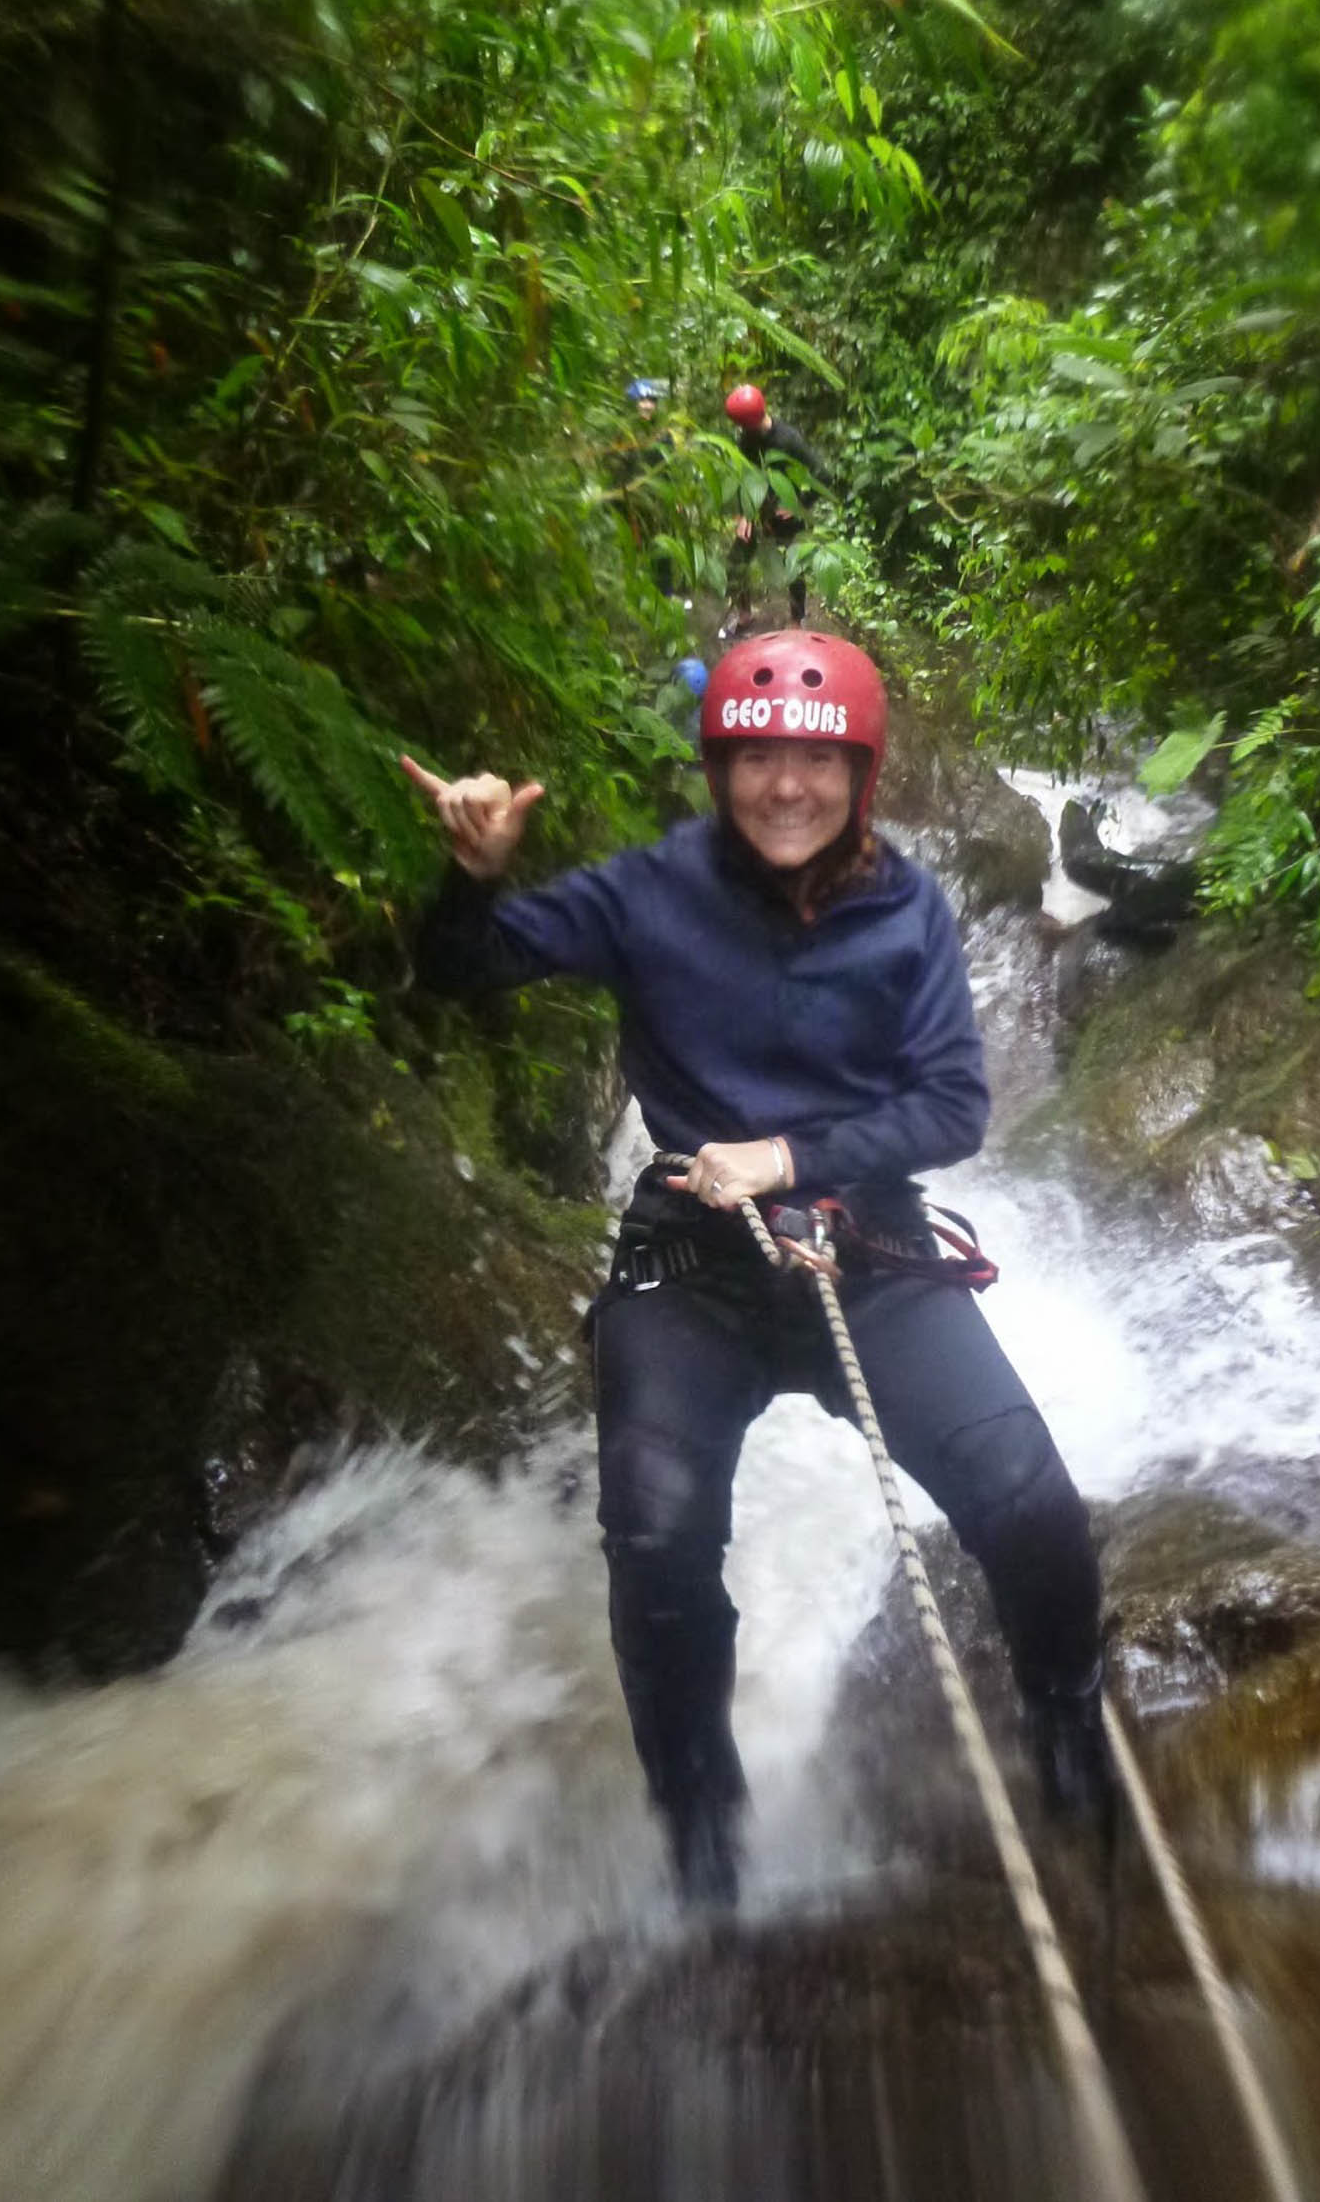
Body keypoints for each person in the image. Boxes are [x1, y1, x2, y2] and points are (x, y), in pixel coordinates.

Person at [401, 630, 1108, 1908]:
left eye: (819, 758)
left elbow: (954, 1106)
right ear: (721, 767)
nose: (789, 784)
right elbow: (462, 969)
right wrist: (471, 876)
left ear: (863, 773)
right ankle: (701, 1817)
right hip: (693, 1268)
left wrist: (791, 1155)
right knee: (658, 1542)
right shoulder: (648, 893)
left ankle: (1066, 1720)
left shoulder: (910, 910)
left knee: (1032, 1502)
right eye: (760, 756)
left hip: (872, 1249)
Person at [723, 383, 833, 632]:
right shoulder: (747, 439)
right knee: (735, 563)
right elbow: (745, 477)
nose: (742, 429)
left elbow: (824, 475)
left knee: (793, 567)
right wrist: (744, 513)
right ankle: (743, 615)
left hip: (786, 513)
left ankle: (796, 621)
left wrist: (800, 505)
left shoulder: (788, 439)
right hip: (758, 512)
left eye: (744, 424)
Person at [616, 377, 681, 601]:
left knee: (661, 549)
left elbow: (669, 469)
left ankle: (665, 595)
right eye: (643, 400)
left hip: (658, 501)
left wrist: (676, 500)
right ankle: (635, 597)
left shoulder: (664, 436)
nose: (647, 405)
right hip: (631, 502)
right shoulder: (624, 434)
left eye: (651, 400)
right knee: (632, 549)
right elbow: (617, 470)